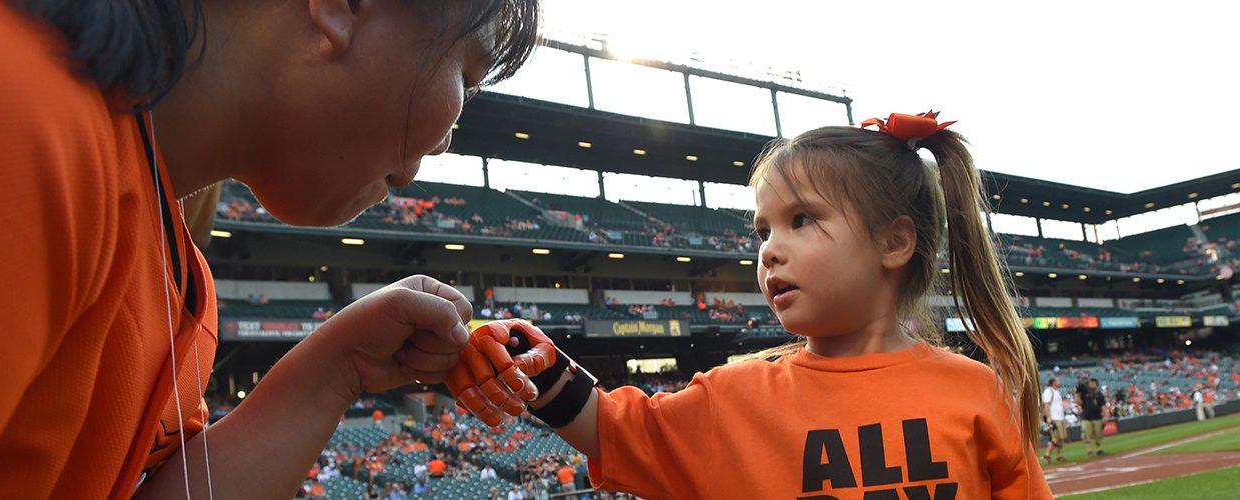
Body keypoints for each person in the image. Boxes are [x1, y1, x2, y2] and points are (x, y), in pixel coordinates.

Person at [0, 0, 539, 497]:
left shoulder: (178, 262)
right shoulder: (4, 101)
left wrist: (337, 367)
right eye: (467, 77)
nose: (443, 144)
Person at [446, 113, 1050, 497]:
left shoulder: (978, 392)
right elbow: (608, 427)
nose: (769, 251)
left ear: (894, 242)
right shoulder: (729, 399)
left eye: (801, 220)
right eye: (762, 231)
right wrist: (522, 355)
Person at [1076, 378, 1107, 457]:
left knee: (1098, 434)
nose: (1091, 384)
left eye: (1093, 383)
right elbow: (1079, 402)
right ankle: (1089, 450)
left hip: (1097, 417)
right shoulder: (1083, 394)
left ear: (1096, 385)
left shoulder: (1099, 394)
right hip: (1086, 417)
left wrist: (1105, 416)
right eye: (1090, 383)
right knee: (1086, 434)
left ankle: (1099, 449)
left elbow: (1103, 406)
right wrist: (1078, 394)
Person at [1042, 377, 1067, 464]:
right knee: (1056, 438)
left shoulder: (1057, 392)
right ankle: (1047, 455)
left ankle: (1059, 456)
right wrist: (1049, 417)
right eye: (1058, 381)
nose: (1059, 382)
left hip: (1060, 417)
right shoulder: (1049, 391)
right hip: (1054, 418)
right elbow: (1046, 405)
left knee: (1060, 438)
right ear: (1053, 382)